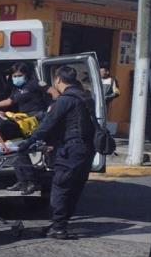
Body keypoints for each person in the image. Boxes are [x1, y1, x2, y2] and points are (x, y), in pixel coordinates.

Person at [17, 66, 95, 239]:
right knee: (74, 189)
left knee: (61, 188)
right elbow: (74, 122)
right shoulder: (86, 97)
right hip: (86, 150)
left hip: (72, 149)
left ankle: (59, 227)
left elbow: (48, 124)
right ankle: (59, 224)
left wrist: (28, 142)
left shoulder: (65, 100)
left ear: (58, 80)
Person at [0, 62, 49, 195]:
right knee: (16, 150)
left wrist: (54, 107)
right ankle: (22, 181)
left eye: (19, 75)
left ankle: (31, 182)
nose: (16, 78)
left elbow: (52, 92)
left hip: (35, 120)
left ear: (26, 75)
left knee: (22, 149)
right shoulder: (17, 89)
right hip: (24, 120)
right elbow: (9, 101)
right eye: (14, 75)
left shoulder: (35, 84)